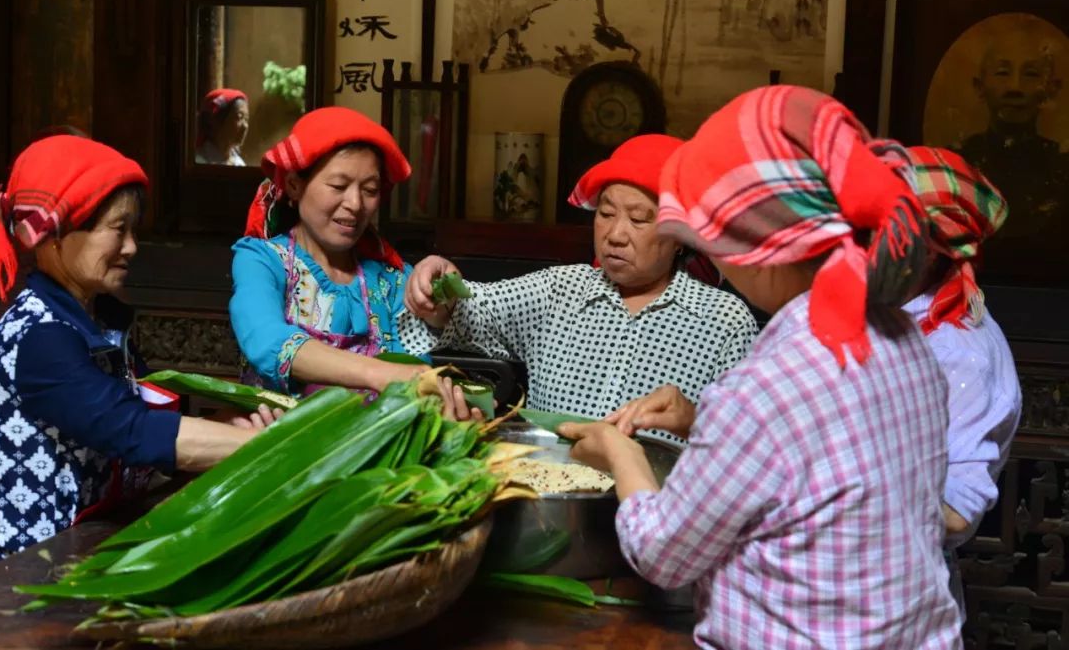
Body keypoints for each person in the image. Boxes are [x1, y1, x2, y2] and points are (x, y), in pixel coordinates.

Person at [565, 86, 961, 648]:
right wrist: (698, 423)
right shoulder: (903, 336)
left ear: (754, 241)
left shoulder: (766, 386)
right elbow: (818, 463)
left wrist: (621, 453)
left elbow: (662, 554)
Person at [0, 136, 279, 565]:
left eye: (133, 230)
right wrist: (266, 445)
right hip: (25, 573)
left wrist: (227, 424)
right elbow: (132, 432)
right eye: (116, 230)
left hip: (84, 546)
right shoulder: (40, 336)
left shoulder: (98, 319)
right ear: (55, 236)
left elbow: (151, 418)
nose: (131, 247)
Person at [400, 134, 759, 436]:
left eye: (638, 219)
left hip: (657, 502)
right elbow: (471, 310)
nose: (615, 235)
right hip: (549, 491)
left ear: (681, 234)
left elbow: (746, 444)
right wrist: (439, 284)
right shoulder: (559, 291)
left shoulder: (723, 321)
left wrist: (694, 423)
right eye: (605, 214)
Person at [229, 107, 441, 403]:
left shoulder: (391, 279)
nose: (355, 204)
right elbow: (266, 340)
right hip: (281, 439)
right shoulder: (262, 260)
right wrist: (378, 373)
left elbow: (416, 366)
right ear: (294, 184)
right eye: (338, 186)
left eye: (370, 189)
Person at [888, 143, 1021, 614]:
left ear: (934, 249)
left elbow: (956, 512)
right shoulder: (893, 313)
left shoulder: (958, 351)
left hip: (899, 603)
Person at [955, 22, 1068, 240]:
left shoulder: (1062, 170)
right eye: (1003, 72)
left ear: (1051, 89)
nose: (1015, 87)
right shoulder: (958, 164)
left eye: (1031, 74)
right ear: (980, 86)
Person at [196, 88, 249, 166]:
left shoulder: (239, 163)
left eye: (246, 119)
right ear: (216, 121)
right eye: (239, 117)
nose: (245, 126)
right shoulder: (199, 162)